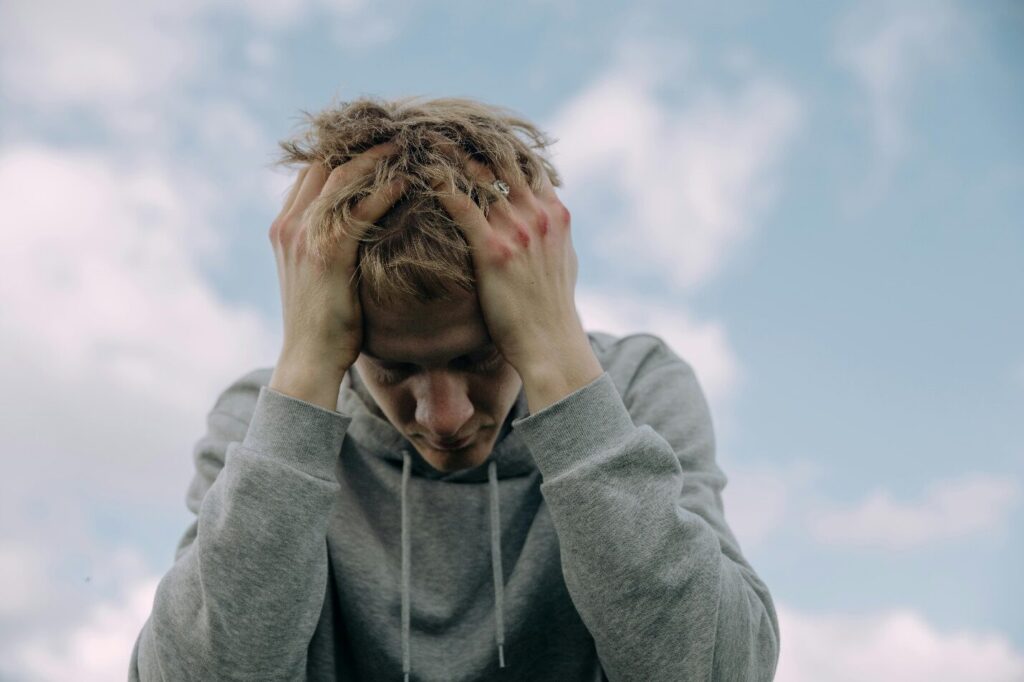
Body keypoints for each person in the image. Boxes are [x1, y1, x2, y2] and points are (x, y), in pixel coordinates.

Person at [128, 96, 780, 681]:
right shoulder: (263, 423)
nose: (444, 417)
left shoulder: (637, 388)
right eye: (393, 369)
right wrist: (303, 372)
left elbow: (721, 671)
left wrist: (560, 364)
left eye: (481, 358)